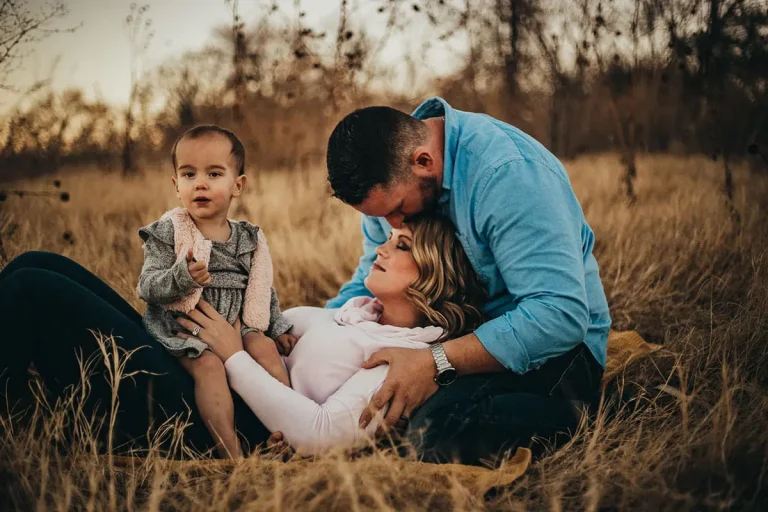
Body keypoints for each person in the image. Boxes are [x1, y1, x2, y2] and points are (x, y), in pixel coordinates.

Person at [323, 97, 611, 461]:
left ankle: (587, 414)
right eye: (381, 218)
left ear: (424, 162)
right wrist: (312, 328)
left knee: (435, 434)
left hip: (556, 354)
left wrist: (434, 362)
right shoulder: (392, 171)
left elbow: (559, 316)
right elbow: (368, 276)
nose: (393, 227)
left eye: (397, 210)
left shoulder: (508, 174)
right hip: (447, 338)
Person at [184, 214, 487, 454]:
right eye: (389, 239)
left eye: (402, 245)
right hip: (197, 364)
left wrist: (234, 357)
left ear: (435, 275)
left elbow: (320, 433)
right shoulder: (354, 315)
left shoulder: (402, 358)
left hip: (220, 420)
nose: (381, 249)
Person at [136, 124, 296, 458]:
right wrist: (183, 276)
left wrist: (277, 326)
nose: (201, 183)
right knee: (210, 368)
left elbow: (261, 286)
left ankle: (288, 430)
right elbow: (147, 286)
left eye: (214, 173)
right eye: (189, 174)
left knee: (266, 350)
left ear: (237, 185)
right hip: (185, 328)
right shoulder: (171, 231)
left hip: (238, 323)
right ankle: (232, 454)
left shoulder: (247, 238)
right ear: (176, 185)